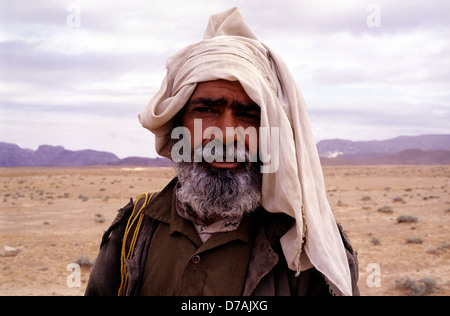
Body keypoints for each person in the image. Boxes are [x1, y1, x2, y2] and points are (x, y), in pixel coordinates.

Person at [85, 7, 359, 296]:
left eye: (248, 114)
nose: (227, 134)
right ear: (179, 123)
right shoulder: (135, 229)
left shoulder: (310, 247)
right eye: (206, 110)